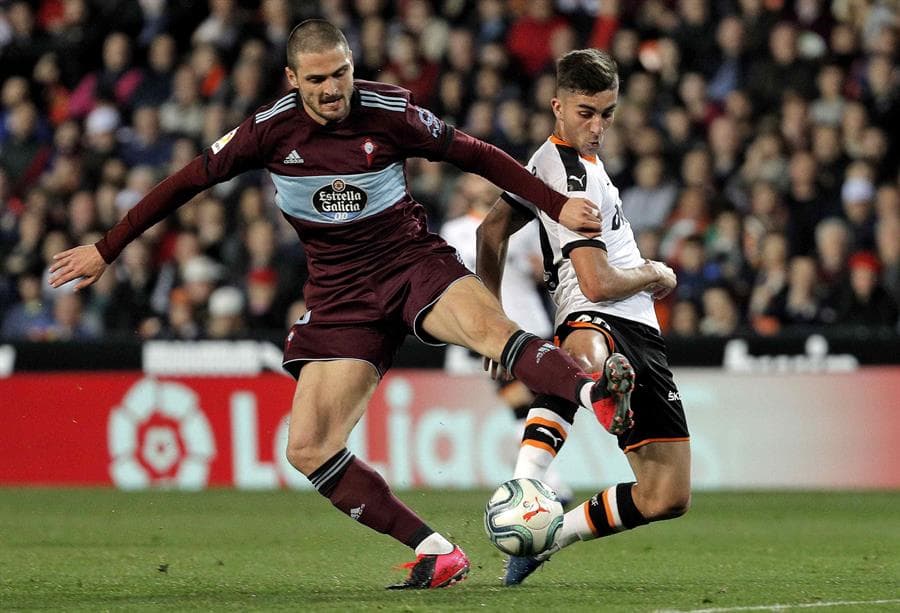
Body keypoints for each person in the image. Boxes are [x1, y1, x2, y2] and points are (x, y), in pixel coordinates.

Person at [49, 20, 629, 590]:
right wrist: (106, 248)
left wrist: (553, 202)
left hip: (410, 264)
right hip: (340, 297)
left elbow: (473, 153)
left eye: (341, 74)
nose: (333, 89)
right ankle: (435, 551)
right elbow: (184, 183)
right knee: (307, 447)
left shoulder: (389, 111)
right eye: (318, 79)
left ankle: (596, 394)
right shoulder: (266, 131)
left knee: (495, 332)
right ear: (292, 79)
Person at [476, 48, 690, 586]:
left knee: (667, 496)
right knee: (585, 357)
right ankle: (529, 480)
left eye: (608, 113)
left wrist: (489, 318)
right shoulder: (569, 173)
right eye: (586, 113)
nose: (597, 127)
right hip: (594, 311)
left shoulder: (557, 162)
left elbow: (490, 231)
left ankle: (548, 536)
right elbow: (596, 283)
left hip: (641, 328)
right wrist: (654, 271)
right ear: (558, 106)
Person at [440, 174, 573, 505]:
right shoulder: (454, 231)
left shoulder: (524, 227)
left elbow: (547, 272)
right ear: (464, 189)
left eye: (487, 177)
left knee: (541, 405)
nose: (484, 183)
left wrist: (539, 269)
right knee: (518, 402)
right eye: (475, 178)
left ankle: (544, 481)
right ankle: (548, 483)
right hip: (492, 328)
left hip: (533, 323)